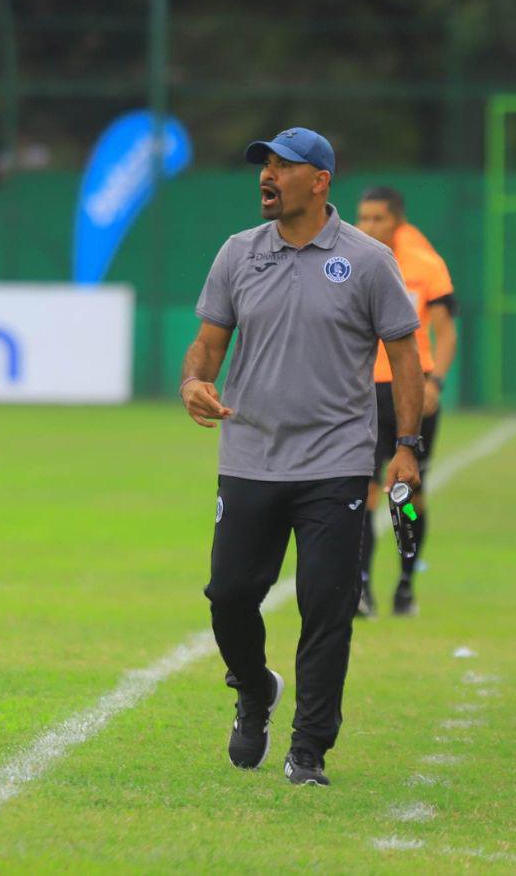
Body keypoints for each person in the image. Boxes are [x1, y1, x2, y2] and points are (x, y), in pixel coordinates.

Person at [179, 127, 425, 786]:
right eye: (263, 166)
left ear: (319, 181)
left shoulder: (368, 260)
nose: (267, 176)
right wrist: (193, 381)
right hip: (251, 454)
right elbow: (207, 344)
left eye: (282, 168)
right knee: (229, 595)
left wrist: (405, 447)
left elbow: (404, 354)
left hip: (336, 461)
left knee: (326, 605)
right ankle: (255, 689)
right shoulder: (237, 254)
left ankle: (309, 747)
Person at [353, 186, 457, 616]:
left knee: (407, 495)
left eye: (378, 218)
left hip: (411, 389)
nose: (369, 227)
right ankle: (361, 588)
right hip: (362, 392)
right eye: (363, 218)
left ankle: (405, 584)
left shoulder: (425, 265)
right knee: (363, 491)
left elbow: (446, 331)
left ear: (398, 220)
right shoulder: (351, 263)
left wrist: (435, 383)